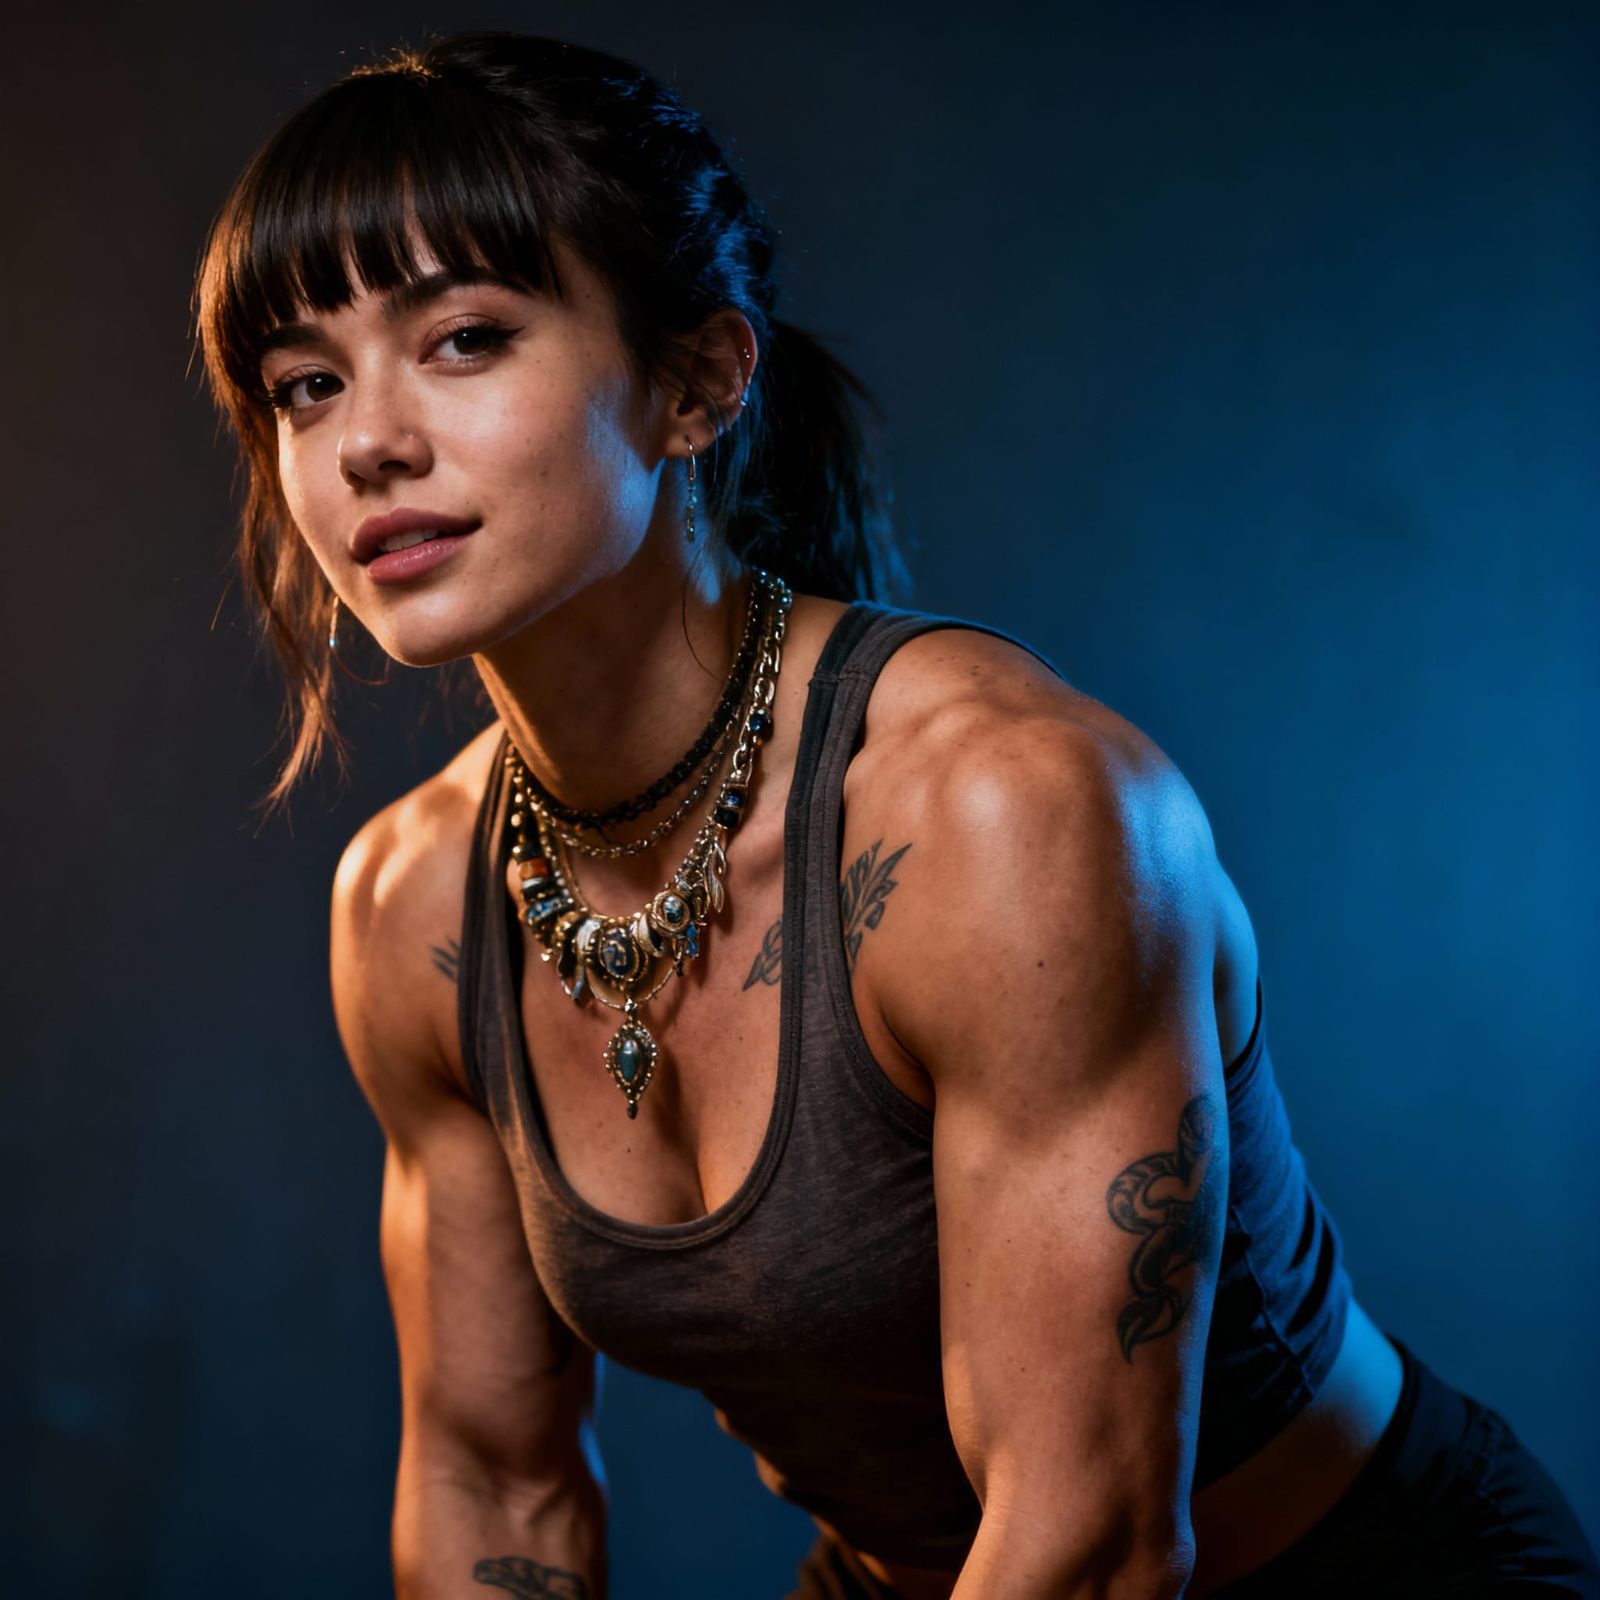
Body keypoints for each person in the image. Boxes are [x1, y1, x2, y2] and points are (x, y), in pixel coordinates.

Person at [192, 29, 1599, 1600]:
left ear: (696, 382)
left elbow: (1090, 1546)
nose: (366, 439)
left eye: (463, 339)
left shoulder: (1002, 814)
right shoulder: (412, 905)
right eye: (305, 383)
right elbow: (491, 1486)